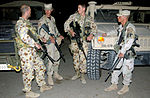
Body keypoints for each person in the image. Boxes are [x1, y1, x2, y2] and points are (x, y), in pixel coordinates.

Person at [15, 5, 52, 98]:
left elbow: (33, 34)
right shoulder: (20, 23)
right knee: (28, 71)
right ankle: (28, 91)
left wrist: (41, 39)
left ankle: (42, 85)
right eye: (30, 11)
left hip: (32, 51)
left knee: (40, 66)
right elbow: (24, 37)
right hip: (25, 51)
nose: (31, 12)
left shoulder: (27, 23)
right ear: (27, 11)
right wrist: (35, 44)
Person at [104, 10, 136, 95]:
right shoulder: (122, 26)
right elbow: (116, 31)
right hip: (121, 50)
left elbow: (130, 41)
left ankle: (126, 87)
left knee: (127, 70)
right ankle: (114, 84)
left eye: (119, 16)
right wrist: (106, 34)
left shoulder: (130, 27)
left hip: (127, 52)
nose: (117, 18)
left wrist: (123, 51)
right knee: (115, 67)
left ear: (124, 17)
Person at [64, 3, 97, 84]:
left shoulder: (89, 18)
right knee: (75, 58)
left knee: (83, 59)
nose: (78, 9)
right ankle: (77, 73)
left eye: (79, 8)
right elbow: (66, 24)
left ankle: (82, 75)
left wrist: (91, 35)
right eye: (78, 8)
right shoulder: (73, 16)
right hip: (75, 41)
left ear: (84, 8)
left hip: (84, 41)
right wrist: (71, 31)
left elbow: (95, 28)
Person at [38, 4, 64, 86]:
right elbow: (40, 33)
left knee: (57, 57)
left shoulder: (52, 19)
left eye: (49, 10)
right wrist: (49, 38)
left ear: (51, 10)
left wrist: (59, 35)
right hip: (49, 43)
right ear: (44, 10)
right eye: (46, 10)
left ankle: (55, 73)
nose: (47, 12)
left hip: (55, 41)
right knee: (51, 58)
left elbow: (55, 29)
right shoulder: (42, 20)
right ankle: (49, 76)